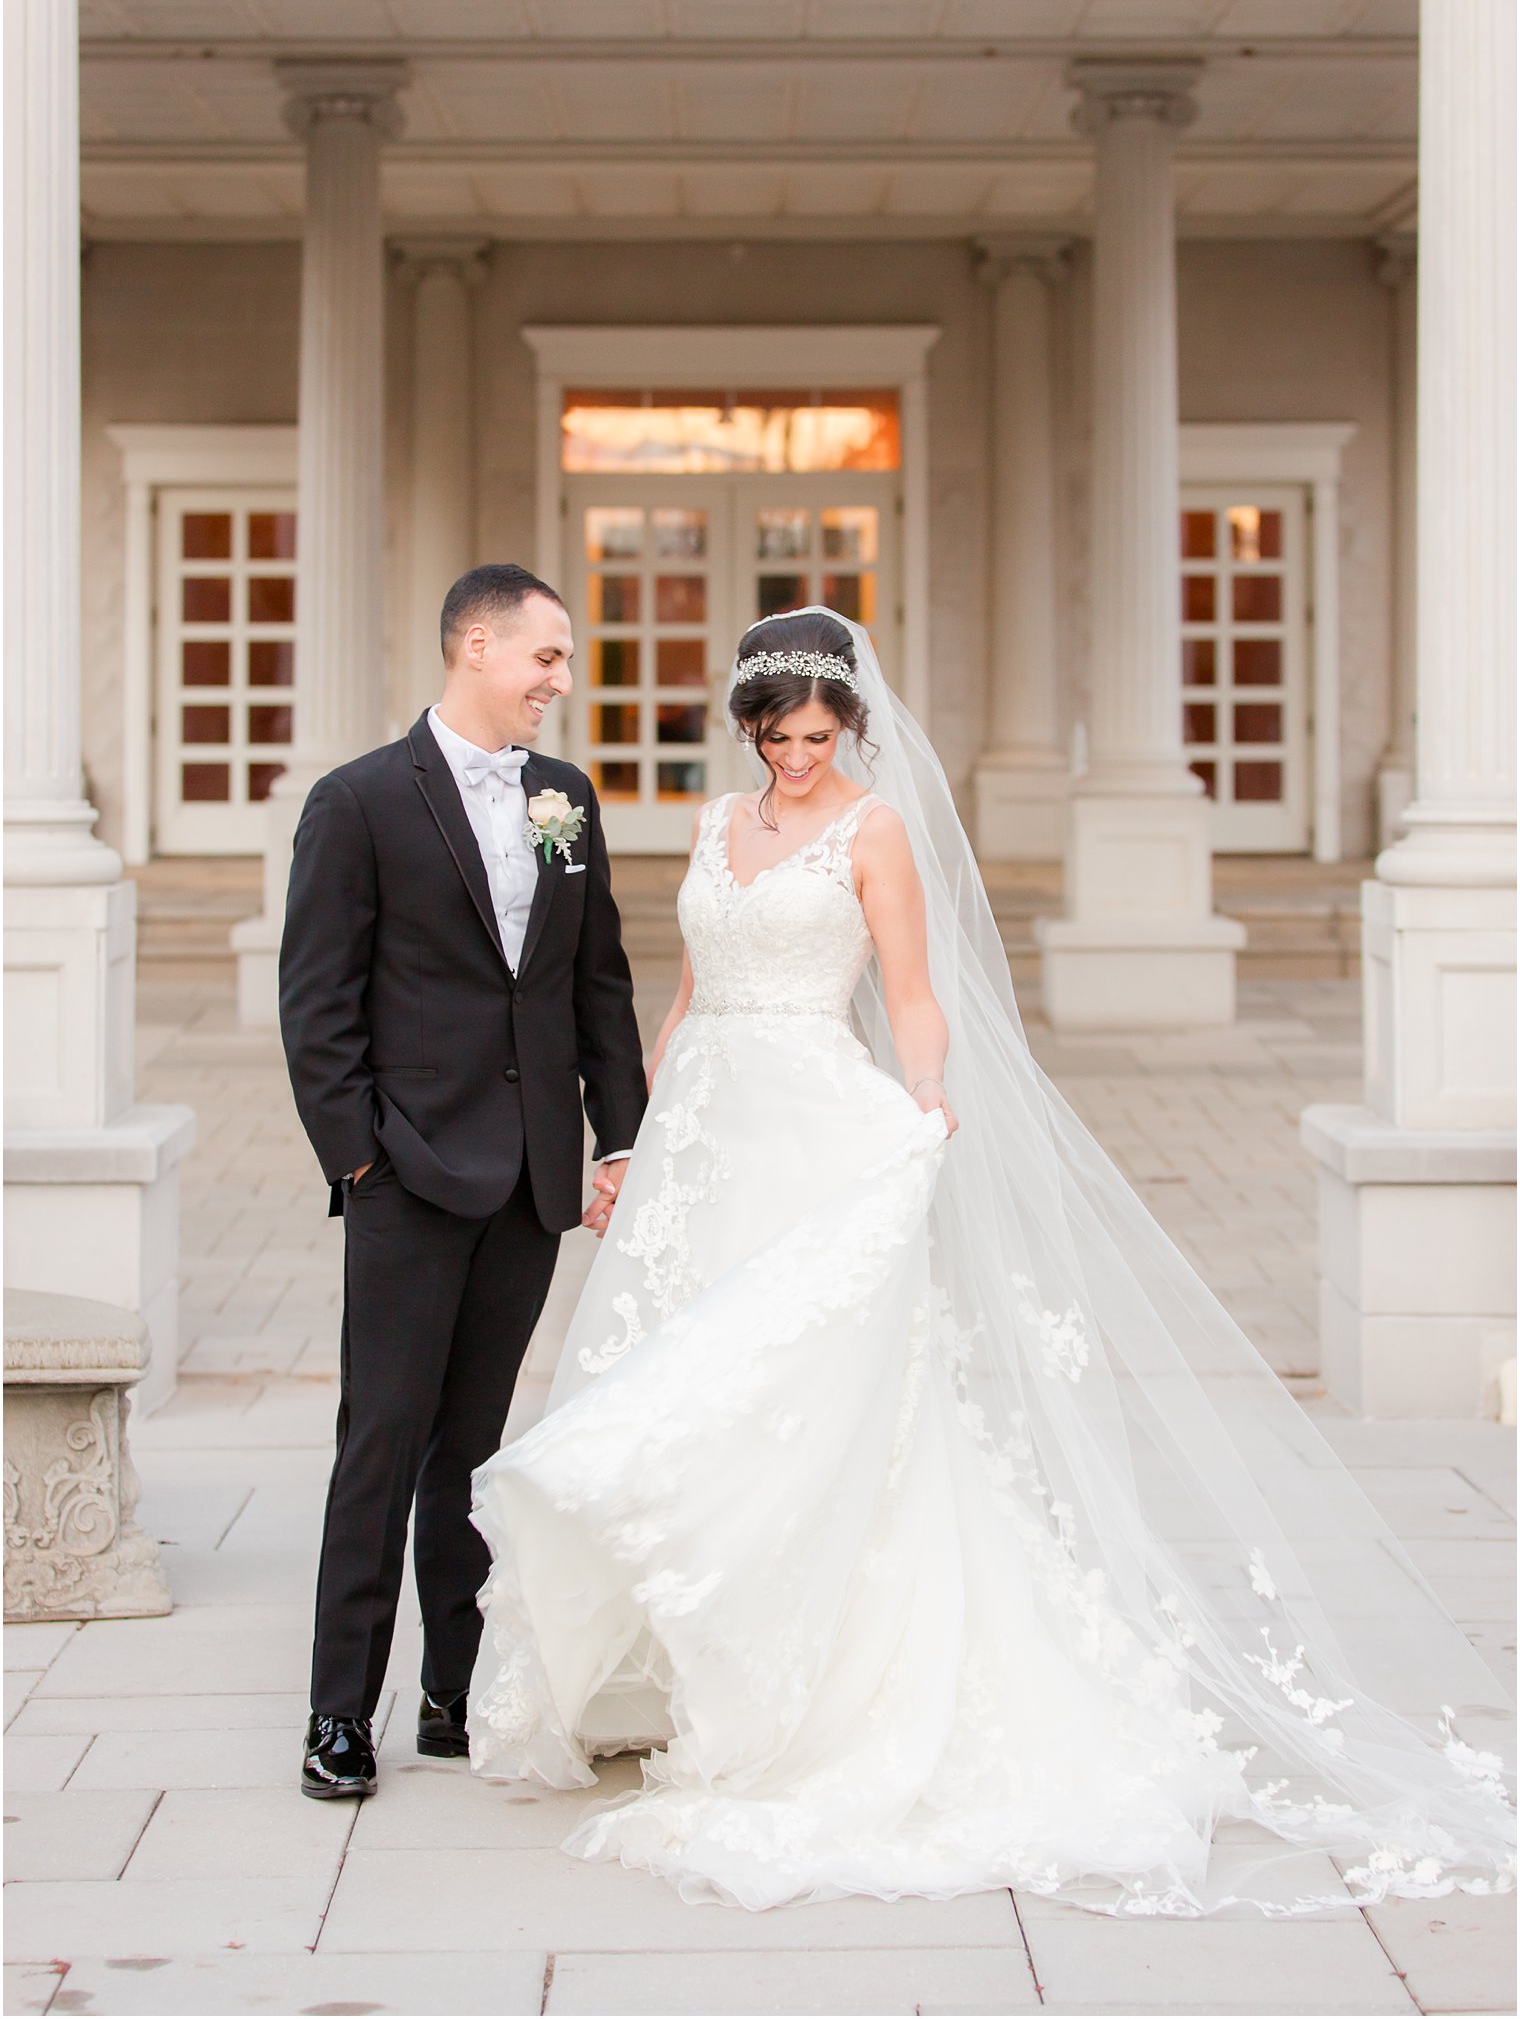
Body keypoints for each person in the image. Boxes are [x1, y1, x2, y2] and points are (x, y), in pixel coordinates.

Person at [466, 604, 1515, 1917]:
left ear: (849, 723)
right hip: (703, 1135)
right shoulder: (713, 828)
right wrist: (630, 1137)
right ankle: (676, 1669)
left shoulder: (877, 829)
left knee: (803, 1397)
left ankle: (814, 1688)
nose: (799, 755)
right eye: (777, 735)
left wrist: (924, 1089)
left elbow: (910, 988)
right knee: (671, 1379)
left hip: (811, 1125)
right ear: (745, 730)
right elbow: (684, 990)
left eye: (819, 732)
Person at [279, 564, 646, 1800]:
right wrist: (362, 1159)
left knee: (476, 1451)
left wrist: (616, 1139)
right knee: (379, 1441)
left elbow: (596, 983)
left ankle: (452, 1690)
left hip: (531, 1177)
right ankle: (340, 1713)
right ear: (476, 644)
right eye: (546, 656)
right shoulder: (359, 801)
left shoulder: (565, 799)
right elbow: (315, 1004)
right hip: (408, 1175)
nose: (560, 680)